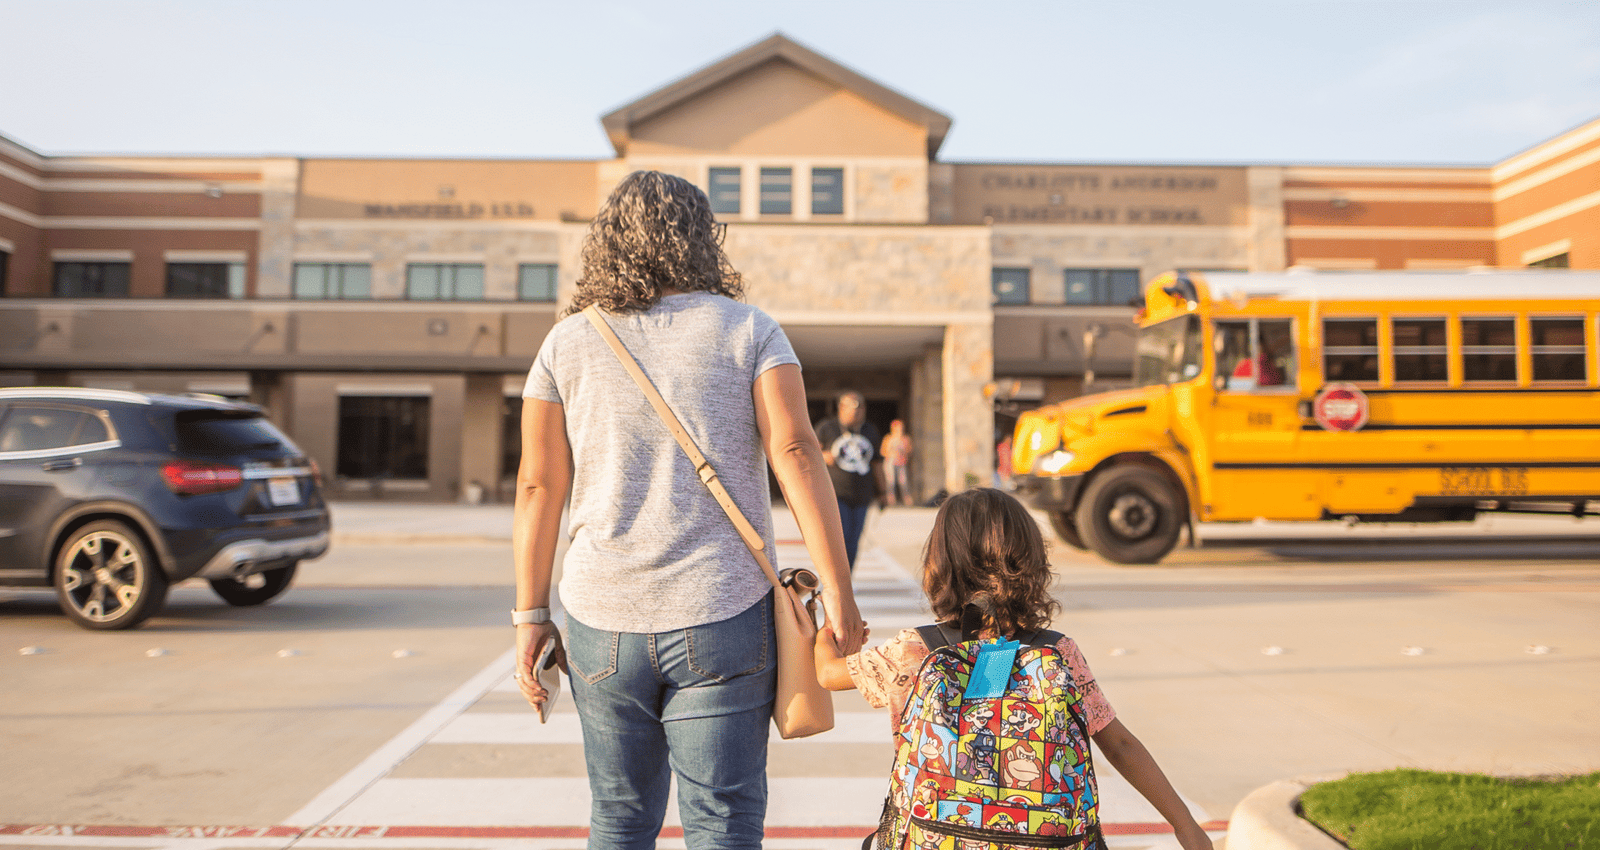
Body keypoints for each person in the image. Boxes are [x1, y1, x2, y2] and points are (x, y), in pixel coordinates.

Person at [511, 170, 867, 850]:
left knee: (618, 817)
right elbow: (794, 450)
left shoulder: (567, 342)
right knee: (723, 822)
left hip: (599, 617)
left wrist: (530, 617)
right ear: (704, 239)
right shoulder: (751, 330)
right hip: (723, 613)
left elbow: (537, 486)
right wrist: (841, 596)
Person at [813, 488, 1213, 850]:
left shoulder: (915, 651)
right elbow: (1120, 745)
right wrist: (1185, 826)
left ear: (939, 563)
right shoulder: (1060, 653)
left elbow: (828, 674)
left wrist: (821, 638)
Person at [815, 390, 883, 569]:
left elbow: (877, 463)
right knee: (840, 537)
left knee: (854, 540)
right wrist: (823, 456)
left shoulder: (870, 430)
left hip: (862, 495)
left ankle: (847, 578)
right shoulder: (827, 427)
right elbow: (808, 453)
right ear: (841, 408)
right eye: (852, 407)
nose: (857, 411)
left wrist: (884, 492)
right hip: (836, 493)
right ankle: (835, 576)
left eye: (860, 407)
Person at [880, 419, 914, 506]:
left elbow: (910, 451)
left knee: (903, 482)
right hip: (890, 462)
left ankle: (907, 501)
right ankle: (891, 501)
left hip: (901, 463)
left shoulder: (905, 438)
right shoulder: (888, 438)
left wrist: (903, 451)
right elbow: (882, 451)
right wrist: (891, 453)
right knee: (890, 482)